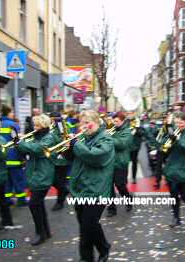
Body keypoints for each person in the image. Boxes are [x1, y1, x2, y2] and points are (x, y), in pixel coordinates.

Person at [68, 109, 114, 262]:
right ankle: (103, 246)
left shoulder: (106, 139)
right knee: (87, 225)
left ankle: (86, 258)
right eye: (83, 123)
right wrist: (69, 147)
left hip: (97, 190)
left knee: (86, 229)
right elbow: (70, 158)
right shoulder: (83, 139)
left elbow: (95, 157)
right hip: (81, 189)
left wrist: (76, 145)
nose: (85, 126)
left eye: (88, 123)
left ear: (97, 122)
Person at [16, 114, 55, 246]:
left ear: (44, 126)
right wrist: (20, 143)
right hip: (36, 174)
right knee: (39, 204)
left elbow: (37, 149)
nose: (35, 127)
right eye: (34, 125)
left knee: (34, 204)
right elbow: (27, 149)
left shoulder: (49, 137)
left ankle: (41, 233)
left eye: (37, 125)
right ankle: (46, 231)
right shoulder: (36, 136)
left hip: (43, 175)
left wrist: (21, 144)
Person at [163, 112, 185, 227]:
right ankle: (176, 217)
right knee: (173, 196)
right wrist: (166, 142)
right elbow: (165, 149)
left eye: (181, 123)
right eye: (177, 122)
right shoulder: (174, 132)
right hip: (172, 170)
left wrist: (177, 139)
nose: (178, 125)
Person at [106, 112, 133, 217]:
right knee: (108, 187)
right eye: (113, 121)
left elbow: (122, 144)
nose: (114, 123)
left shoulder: (127, 132)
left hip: (120, 163)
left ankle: (128, 199)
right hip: (109, 162)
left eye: (116, 121)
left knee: (120, 185)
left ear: (122, 121)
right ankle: (111, 208)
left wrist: (109, 137)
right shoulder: (111, 130)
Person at [0, 105, 28, 206]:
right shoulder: (12, 125)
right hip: (13, 158)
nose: (13, 114)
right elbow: (16, 142)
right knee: (18, 181)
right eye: (12, 112)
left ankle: (7, 200)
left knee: (6, 182)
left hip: (1, 158)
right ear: (9, 113)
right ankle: (21, 200)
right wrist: (23, 157)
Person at [49, 111, 69, 211]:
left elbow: (63, 140)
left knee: (59, 181)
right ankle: (64, 190)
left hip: (61, 159)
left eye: (52, 119)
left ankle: (60, 202)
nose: (51, 121)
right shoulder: (52, 128)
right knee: (53, 181)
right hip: (53, 158)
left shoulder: (62, 127)